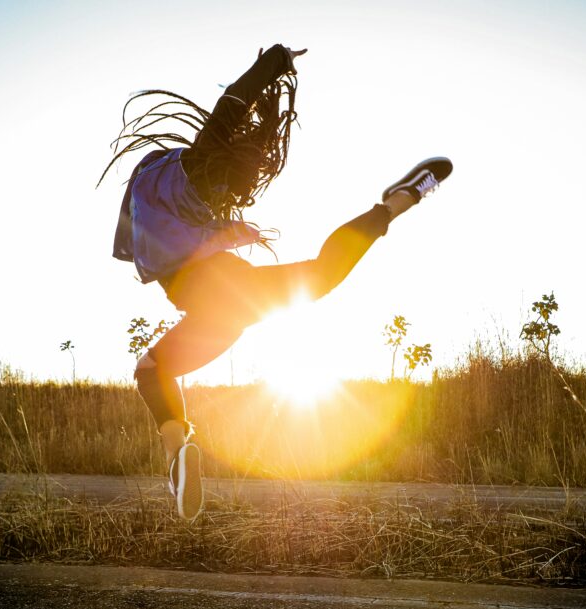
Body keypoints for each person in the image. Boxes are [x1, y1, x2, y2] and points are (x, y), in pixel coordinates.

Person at [102, 44, 452, 520]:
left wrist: (274, 64)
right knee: (322, 275)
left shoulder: (169, 192)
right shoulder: (198, 170)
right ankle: (394, 204)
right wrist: (275, 63)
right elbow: (235, 101)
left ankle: (177, 450)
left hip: (213, 308)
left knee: (150, 370)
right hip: (233, 302)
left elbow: (229, 111)